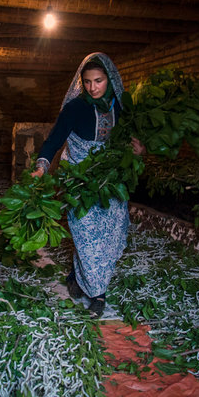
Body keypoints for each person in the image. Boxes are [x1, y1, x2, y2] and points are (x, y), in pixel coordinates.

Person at [31, 52, 145, 318]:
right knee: (88, 236)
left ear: (110, 80)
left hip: (110, 181)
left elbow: (130, 142)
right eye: (88, 82)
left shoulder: (120, 108)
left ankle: (77, 276)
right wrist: (41, 167)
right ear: (81, 82)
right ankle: (98, 295)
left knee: (111, 237)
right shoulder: (74, 108)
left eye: (99, 81)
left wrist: (140, 150)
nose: (93, 87)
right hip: (79, 182)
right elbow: (54, 140)